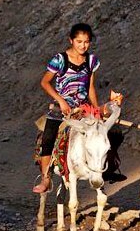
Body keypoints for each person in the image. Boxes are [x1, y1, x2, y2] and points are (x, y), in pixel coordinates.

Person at [33, 23, 102, 193]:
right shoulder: (60, 60)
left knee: (105, 134)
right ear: (71, 40)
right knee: (48, 138)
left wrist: (97, 109)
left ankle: (107, 170)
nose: (83, 45)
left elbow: (91, 88)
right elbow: (45, 82)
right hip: (61, 108)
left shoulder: (92, 61)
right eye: (79, 41)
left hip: (83, 108)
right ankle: (46, 179)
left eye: (86, 42)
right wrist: (61, 101)